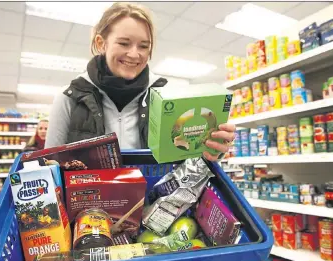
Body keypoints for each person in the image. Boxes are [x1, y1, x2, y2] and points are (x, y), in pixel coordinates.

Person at [46, 2, 235, 161]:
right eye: (124, 43)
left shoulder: (167, 97)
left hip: (151, 203)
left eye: (144, 46)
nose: (135, 54)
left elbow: (182, 161)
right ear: (101, 43)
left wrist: (209, 151)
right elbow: (50, 167)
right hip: (89, 204)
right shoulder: (70, 98)